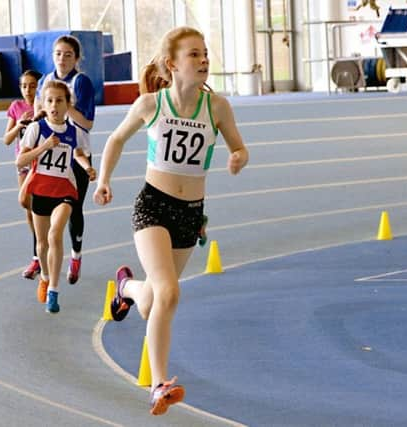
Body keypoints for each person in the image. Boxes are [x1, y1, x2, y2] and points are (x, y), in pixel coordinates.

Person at [93, 27, 248, 415]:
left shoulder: (218, 108)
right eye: (194, 54)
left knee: (152, 302)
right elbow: (115, 140)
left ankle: (126, 287)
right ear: (172, 64)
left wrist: (237, 158)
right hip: (154, 207)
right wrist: (104, 180)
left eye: (205, 53)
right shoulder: (151, 104)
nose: (203, 60)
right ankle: (159, 383)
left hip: (190, 216)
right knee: (170, 294)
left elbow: (239, 147)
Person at [17, 80, 96, 313]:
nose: (54, 105)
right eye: (49, 100)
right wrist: (44, 148)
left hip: (65, 191)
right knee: (41, 245)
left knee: (55, 235)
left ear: (67, 104)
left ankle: (53, 289)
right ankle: (44, 275)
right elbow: (20, 161)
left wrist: (86, 166)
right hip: (41, 190)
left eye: (59, 100)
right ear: (44, 103)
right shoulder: (36, 129)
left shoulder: (74, 131)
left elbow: (79, 152)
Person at [35, 35, 96, 285]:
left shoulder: (81, 83)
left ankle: (76, 255)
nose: (62, 58)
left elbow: (88, 123)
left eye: (68, 54)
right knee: (40, 208)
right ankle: (40, 260)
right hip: (50, 151)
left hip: (76, 151)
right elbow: (40, 111)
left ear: (77, 58)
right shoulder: (45, 80)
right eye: (58, 53)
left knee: (74, 209)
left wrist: (64, 105)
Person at [3, 69, 43, 280]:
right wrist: (19, 124)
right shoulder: (16, 107)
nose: (28, 90)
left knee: (38, 207)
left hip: (42, 162)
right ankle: (39, 249)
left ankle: (39, 253)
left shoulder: (45, 105)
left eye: (33, 85)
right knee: (27, 206)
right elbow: (7, 139)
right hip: (23, 162)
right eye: (24, 86)